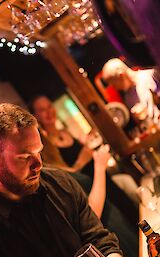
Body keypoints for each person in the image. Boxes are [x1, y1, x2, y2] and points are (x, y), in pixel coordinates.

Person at [0, 103, 123, 257]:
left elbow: (99, 238)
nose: (38, 164)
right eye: (25, 157)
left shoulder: (59, 182)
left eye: (38, 152)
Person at [29, 95, 139, 257]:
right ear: (36, 117)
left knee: (134, 221)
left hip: (102, 187)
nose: (48, 112)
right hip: (94, 193)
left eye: (49, 106)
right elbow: (70, 175)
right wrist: (90, 162)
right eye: (42, 110)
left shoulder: (65, 132)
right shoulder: (47, 152)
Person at [102, 58, 160, 124]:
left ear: (121, 75)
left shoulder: (150, 75)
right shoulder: (128, 98)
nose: (116, 89)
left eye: (114, 84)